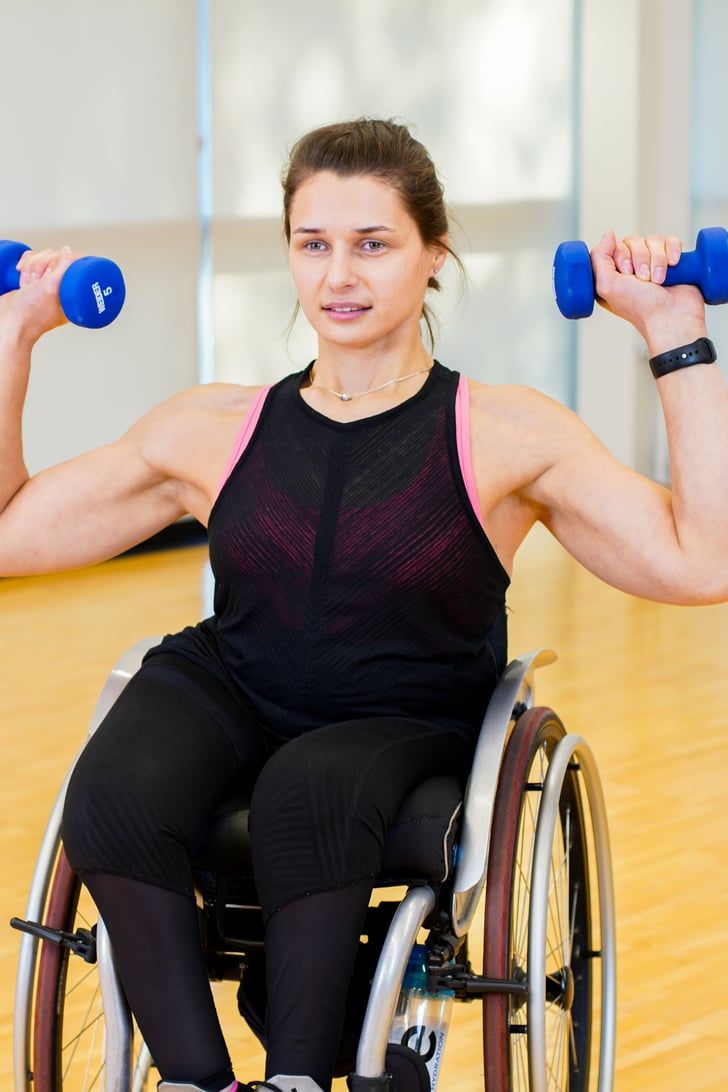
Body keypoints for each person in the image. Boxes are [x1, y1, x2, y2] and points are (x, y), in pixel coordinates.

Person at [1, 118, 726, 1092]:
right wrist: (13, 337)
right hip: (232, 681)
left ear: (432, 255)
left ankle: (297, 1079)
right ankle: (195, 1079)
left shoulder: (506, 433)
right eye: (313, 244)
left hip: (404, 711)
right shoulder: (211, 426)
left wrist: (674, 333)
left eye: (372, 244)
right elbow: (10, 531)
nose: (338, 275)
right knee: (111, 795)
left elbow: (700, 559)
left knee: (310, 790)